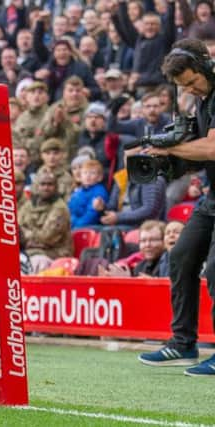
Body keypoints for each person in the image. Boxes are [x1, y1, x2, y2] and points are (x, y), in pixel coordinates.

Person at [138, 39, 215, 376]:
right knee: (182, 255)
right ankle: (183, 342)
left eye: (192, 80)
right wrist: (164, 156)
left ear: (205, 65)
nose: (190, 88)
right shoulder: (203, 100)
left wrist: (174, 151)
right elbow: (194, 156)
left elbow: (212, 148)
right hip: (212, 197)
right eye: (183, 85)